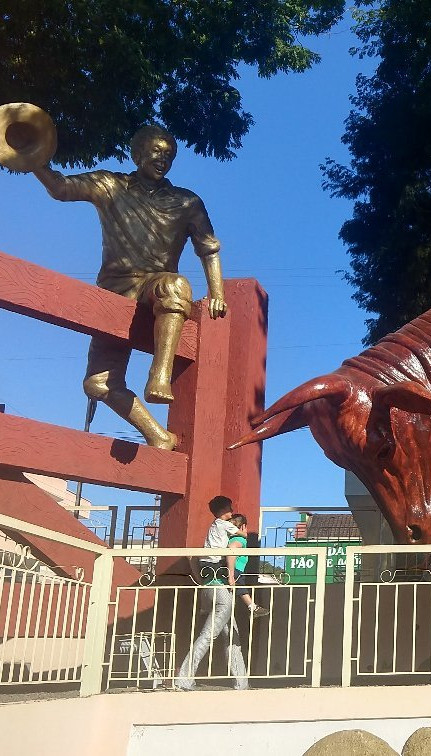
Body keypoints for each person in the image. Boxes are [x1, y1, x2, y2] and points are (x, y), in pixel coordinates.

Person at [31, 124, 228, 451]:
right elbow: (61, 187)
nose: (162, 159)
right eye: (156, 152)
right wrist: (34, 159)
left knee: (175, 284)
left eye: (169, 155)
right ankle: (158, 435)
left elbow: (209, 248)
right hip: (113, 291)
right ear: (136, 154)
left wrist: (218, 293)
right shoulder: (110, 185)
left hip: (157, 286)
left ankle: (159, 376)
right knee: (97, 383)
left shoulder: (187, 201)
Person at [175, 496, 248, 690]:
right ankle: (184, 678)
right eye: (230, 509)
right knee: (208, 636)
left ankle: (242, 682)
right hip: (220, 588)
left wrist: (200, 580)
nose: (232, 513)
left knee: (232, 635)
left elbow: (193, 556)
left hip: (209, 585)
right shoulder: (225, 526)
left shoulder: (211, 532)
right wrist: (241, 536)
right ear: (226, 509)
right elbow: (240, 538)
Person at [227, 514, 269, 617]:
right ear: (243, 527)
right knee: (241, 588)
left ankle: (252, 606)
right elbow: (232, 548)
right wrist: (231, 575)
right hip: (235, 570)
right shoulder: (240, 540)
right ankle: (252, 606)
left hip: (236, 570)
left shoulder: (230, 538)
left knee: (239, 589)